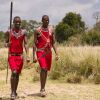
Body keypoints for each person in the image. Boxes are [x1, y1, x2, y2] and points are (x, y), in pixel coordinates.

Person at [33, 15, 58, 97]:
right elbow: (34, 44)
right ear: (42, 20)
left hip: (48, 53)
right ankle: (42, 89)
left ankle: (43, 87)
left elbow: (53, 43)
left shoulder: (52, 30)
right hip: (40, 52)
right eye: (45, 20)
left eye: (48, 20)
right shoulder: (37, 30)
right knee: (43, 68)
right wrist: (34, 56)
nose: (46, 22)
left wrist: (57, 53)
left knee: (45, 70)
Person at [5, 16, 30, 99]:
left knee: (17, 75)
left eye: (19, 22)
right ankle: (12, 92)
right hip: (11, 55)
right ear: (13, 22)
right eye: (16, 22)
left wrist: (28, 55)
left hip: (20, 56)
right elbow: (5, 43)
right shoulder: (9, 32)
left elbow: (26, 44)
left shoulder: (24, 32)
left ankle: (15, 91)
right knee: (14, 72)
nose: (18, 23)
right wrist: (7, 44)